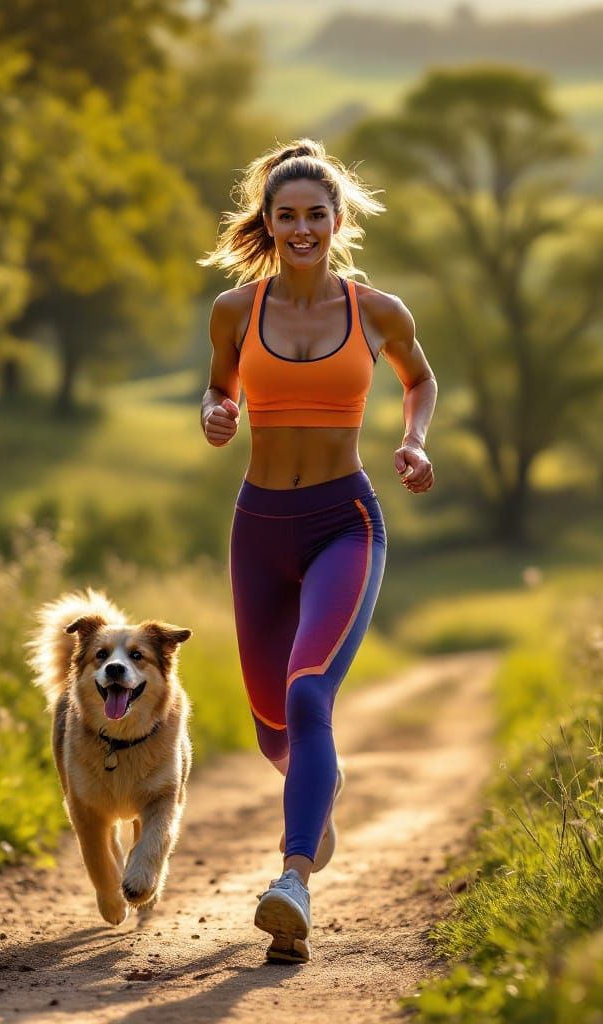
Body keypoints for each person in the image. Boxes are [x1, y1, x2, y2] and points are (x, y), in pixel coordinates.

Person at [198, 138, 437, 964]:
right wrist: (215, 412)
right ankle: (318, 787)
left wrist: (414, 441)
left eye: (315, 215)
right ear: (267, 221)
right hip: (259, 526)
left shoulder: (378, 311)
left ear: (338, 221)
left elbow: (420, 379)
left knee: (308, 695)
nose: (301, 228)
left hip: (345, 522)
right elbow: (221, 387)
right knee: (274, 733)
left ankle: (292, 881)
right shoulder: (235, 310)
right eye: (285, 215)